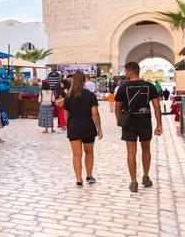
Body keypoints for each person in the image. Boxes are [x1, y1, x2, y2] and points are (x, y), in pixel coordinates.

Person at [114, 61, 162, 192]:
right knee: (146, 149)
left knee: (131, 152)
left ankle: (133, 181)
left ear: (129, 71)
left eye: (126, 71)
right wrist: (159, 124)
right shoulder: (149, 86)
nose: (125, 74)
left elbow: (117, 108)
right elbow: (156, 106)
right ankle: (146, 177)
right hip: (145, 121)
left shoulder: (123, 88)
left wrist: (119, 121)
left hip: (129, 123)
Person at [64, 71, 103, 186]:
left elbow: (66, 115)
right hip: (88, 127)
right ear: (84, 80)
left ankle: (79, 179)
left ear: (73, 81)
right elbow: (95, 114)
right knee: (89, 152)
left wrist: (70, 125)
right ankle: (89, 176)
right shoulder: (90, 95)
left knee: (77, 154)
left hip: (74, 127)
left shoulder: (68, 96)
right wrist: (99, 129)